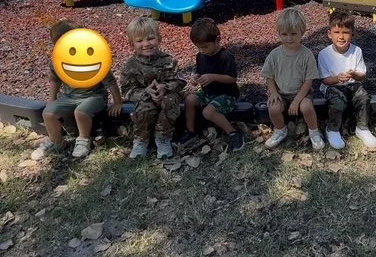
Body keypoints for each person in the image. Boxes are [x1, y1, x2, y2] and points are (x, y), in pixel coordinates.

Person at [32, 20, 122, 161]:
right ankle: (56, 142)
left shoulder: (93, 59)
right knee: (48, 113)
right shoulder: (58, 61)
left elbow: (110, 81)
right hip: (69, 96)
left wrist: (118, 102)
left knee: (81, 111)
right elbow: (55, 80)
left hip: (95, 96)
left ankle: (83, 140)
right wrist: (51, 99)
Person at [120, 17, 185, 159]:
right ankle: (141, 140)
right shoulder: (131, 66)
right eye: (139, 41)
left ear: (159, 38)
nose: (146, 44)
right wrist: (145, 92)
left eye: (150, 38)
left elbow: (180, 80)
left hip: (166, 96)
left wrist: (165, 88)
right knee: (145, 107)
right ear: (132, 44)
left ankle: (163, 138)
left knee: (170, 101)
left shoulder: (168, 60)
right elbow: (126, 90)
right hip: (144, 99)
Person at [261, 8, 325, 150]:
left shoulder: (306, 55)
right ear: (279, 33)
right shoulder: (274, 55)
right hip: (281, 93)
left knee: (306, 106)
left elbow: (309, 81)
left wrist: (297, 100)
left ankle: (314, 131)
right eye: (284, 34)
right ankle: (280, 130)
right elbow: (269, 76)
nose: (289, 38)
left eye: (293, 34)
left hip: (302, 93)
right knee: (273, 107)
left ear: (302, 32)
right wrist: (273, 93)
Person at [179, 18, 244, 152]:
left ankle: (233, 133)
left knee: (208, 112)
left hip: (227, 94)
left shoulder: (225, 56)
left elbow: (232, 78)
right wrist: (195, 78)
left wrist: (213, 77)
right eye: (199, 47)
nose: (202, 50)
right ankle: (190, 132)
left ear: (217, 40)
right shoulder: (200, 56)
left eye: (205, 47)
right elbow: (199, 72)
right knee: (190, 99)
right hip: (208, 93)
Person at [318, 11, 376, 149]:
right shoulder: (324, 54)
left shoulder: (356, 51)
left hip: (352, 84)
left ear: (352, 34)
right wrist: (337, 78)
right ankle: (332, 129)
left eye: (345, 32)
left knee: (363, 96)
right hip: (332, 86)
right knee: (338, 99)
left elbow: (362, 76)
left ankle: (362, 128)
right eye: (337, 32)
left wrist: (355, 75)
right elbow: (324, 80)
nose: (341, 36)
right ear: (329, 34)